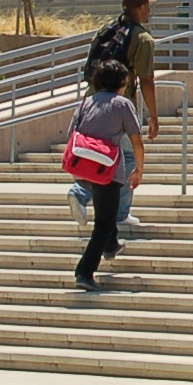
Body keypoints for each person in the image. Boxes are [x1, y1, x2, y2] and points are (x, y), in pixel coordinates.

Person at [71, 0, 162, 236]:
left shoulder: (106, 29)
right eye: (148, 6)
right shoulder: (143, 39)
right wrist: (153, 116)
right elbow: (147, 80)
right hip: (120, 106)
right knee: (127, 158)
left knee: (96, 152)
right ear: (140, 8)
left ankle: (80, 192)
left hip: (91, 101)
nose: (150, 11)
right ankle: (119, 213)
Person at [70, 59, 146, 292]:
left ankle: (111, 245)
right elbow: (136, 140)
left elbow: (72, 133)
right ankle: (85, 271)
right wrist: (139, 169)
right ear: (122, 83)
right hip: (108, 170)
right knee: (103, 223)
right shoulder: (122, 105)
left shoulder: (86, 102)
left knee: (107, 212)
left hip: (83, 167)